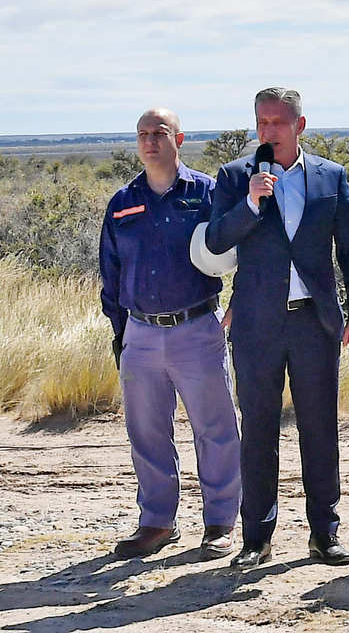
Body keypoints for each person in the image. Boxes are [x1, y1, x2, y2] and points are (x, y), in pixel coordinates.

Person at [205, 87, 349, 568]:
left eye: (278, 122)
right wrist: (250, 205)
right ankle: (256, 538)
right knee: (258, 429)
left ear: (299, 126)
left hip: (314, 323)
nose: (268, 131)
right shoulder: (237, 176)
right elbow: (217, 239)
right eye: (261, 122)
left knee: (319, 430)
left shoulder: (330, 177)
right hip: (258, 326)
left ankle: (325, 532)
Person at [98, 108, 242, 560]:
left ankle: (220, 523)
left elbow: (245, 247)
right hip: (139, 334)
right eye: (142, 134)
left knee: (216, 429)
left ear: (179, 138)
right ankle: (157, 523)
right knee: (146, 432)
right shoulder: (123, 201)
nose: (150, 141)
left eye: (159, 133)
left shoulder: (208, 193)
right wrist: (121, 335)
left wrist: (238, 304)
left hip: (198, 327)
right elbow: (111, 272)